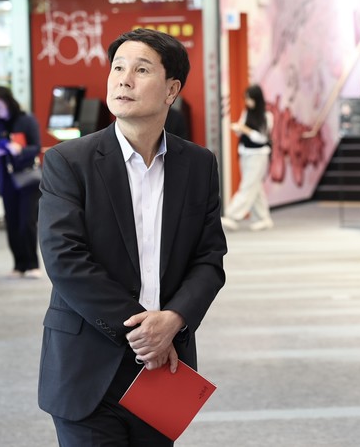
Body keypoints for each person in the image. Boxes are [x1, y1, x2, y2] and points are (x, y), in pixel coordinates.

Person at [37, 28, 227, 446]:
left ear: (171, 89)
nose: (124, 80)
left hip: (165, 363)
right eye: (118, 68)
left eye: (141, 70)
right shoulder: (69, 161)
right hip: (87, 363)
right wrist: (145, 332)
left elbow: (209, 259)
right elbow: (65, 259)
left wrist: (173, 321)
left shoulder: (199, 165)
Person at [0, 86, 42, 279]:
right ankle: (19, 264)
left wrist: (20, 150)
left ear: (8, 102)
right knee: (11, 222)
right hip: (7, 178)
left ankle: (32, 263)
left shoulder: (26, 120)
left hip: (27, 178)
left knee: (26, 221)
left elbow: (36, 146)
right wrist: (0, 148)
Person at [221, 84, 274, 231]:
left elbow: (262, 138)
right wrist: (238, 129)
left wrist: (245, 130)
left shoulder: (267, 116)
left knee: (248, 186)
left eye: (250, 99)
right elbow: (241, 130)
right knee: (254, 186)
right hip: (245, 153)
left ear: (257, 99)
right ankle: (264, 218)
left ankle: (232, 215)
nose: (247, 102)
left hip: (259, 155)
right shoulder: (247, 113)